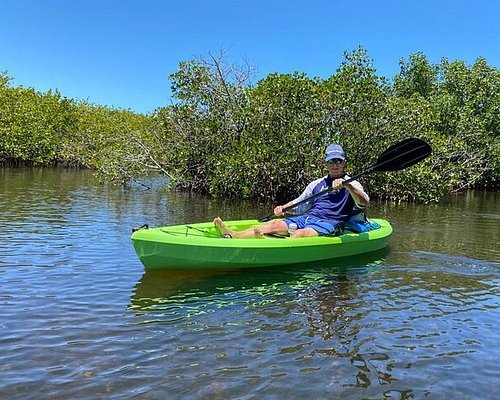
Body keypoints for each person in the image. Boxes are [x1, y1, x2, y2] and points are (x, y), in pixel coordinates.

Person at [213, 143, 369, 238]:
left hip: (330, 223)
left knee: (300, 234)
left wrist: (347, 185)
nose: (335, 165)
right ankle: (234, 235)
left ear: (344, 162)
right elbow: (300, 203)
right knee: (273, 224)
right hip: (308, 217)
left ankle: (271, 247)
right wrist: (283, 209)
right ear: (325, 163)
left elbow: (363, 202)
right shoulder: (316, 184)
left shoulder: (353, 183)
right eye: (331, 161)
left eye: (338, 161)